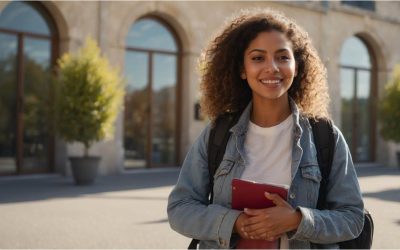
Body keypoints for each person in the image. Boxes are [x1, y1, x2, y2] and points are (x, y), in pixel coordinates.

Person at [167, 8, 364, 249]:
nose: (272, 67)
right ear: (242, 69)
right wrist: (234, 222)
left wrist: (297, 220)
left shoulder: (325, 136)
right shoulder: (217, 134)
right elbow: (180, 208)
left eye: (283, 57)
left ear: (297, 66)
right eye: (258, 58)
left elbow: (353, 218)